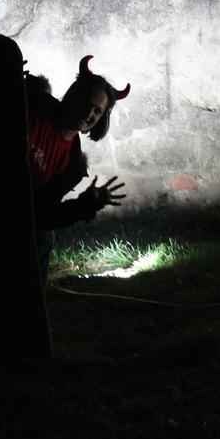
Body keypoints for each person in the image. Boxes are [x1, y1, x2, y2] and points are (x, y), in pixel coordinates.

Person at [24, 55, 130, 283]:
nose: (89, 113)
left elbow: (43, 215)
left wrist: (86, 204)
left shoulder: (72, 164)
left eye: (97, 111)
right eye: (86, 103)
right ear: (73, 96)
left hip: (18, 217)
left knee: (44, 237)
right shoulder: (34, 102)